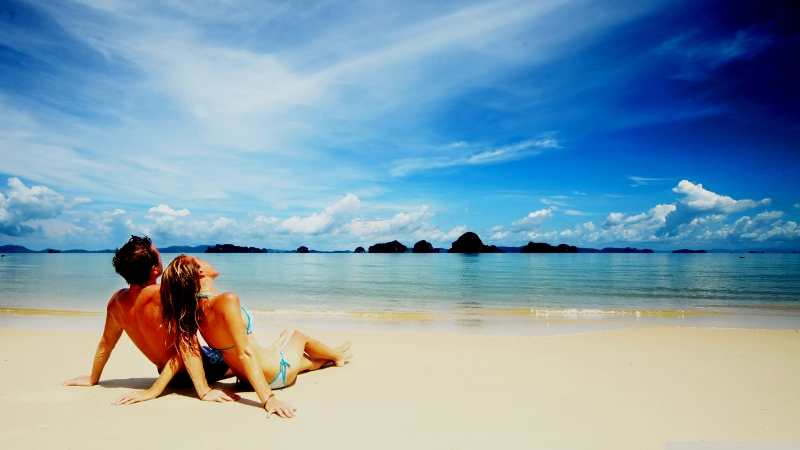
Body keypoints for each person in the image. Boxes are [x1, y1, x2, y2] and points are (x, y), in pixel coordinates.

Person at [160, 255, 351, 418]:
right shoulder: (226, 300)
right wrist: (269, 399)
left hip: (247, 379)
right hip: (272, 374)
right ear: (200, 272)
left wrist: (203, 391)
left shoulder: (193, 310)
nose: (208, 261)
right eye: (201, 260)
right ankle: (337, 356)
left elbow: (189, 350)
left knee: (298, 353)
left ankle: (327, 359)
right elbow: (245, 352)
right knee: (298, 336)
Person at [63, 236, 236, 404]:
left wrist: (93, 378)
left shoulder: (116, 302)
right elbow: (186, 344)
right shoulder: (164, 295)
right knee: (242, 350)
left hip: (169, 374)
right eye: (159, 256)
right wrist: (204, 391)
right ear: (155, 269)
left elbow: (106, 344)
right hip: (204, 367)